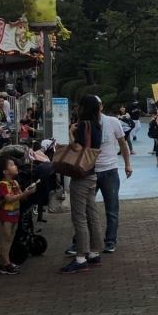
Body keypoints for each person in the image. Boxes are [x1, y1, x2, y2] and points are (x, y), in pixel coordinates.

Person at [66, 98, 132, 255]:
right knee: (88, 211)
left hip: (109, 170)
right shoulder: (87, 123)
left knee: (110, 208)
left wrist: (127, 164)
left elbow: (122, 143)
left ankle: (109, 241)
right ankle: (82, 244)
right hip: (91, 170)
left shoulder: (112, 122)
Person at [59, 95, 106, 274]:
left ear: (83, 108)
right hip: (92, 173)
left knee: (79, 216)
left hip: (81, 175)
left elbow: (78, 148)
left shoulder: (83, 125)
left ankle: (80, 257)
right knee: (92, 213)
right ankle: (94, 253)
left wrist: (71, 132)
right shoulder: (97, 125)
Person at [0, 156, 37, 276]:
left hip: (14, 217)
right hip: (4, 218)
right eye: (11, 165)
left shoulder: (15, 183)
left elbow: (21, 197)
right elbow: (9, 199)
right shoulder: (2, 185)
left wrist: (28, 191)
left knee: (9, 241)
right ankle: (7, 263)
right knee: (5, 241)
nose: (15, 166)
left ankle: (3, 264)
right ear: (5, 171)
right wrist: (25, 193)